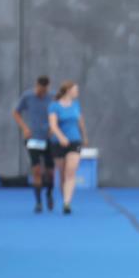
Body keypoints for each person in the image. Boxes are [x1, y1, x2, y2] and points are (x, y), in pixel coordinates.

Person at [13, 76, 55, 213]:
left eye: (44, 91)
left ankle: (49, 193)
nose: (41, 93)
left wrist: (53, 128)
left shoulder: (53, 97)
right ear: (36, 85)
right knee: (36, 170)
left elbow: (59, 114)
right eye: (39, 90)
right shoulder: (27, 96)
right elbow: (16, 112)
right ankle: (38, 202)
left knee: (50, 172)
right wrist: (24, 128)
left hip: (48, 139)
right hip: (33, 138)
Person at [48, 80, 87, 215]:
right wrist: (61, 137)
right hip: (58, 142)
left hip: (74, 141)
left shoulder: (76, 105)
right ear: (68, 90)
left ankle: (67, 202)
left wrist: (84, 136)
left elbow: (80, 122)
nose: (77, 92)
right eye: (75, 89)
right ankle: (64, 195)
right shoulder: (54, 106)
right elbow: (53, 125)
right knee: (62, 173)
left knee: (71, 171)